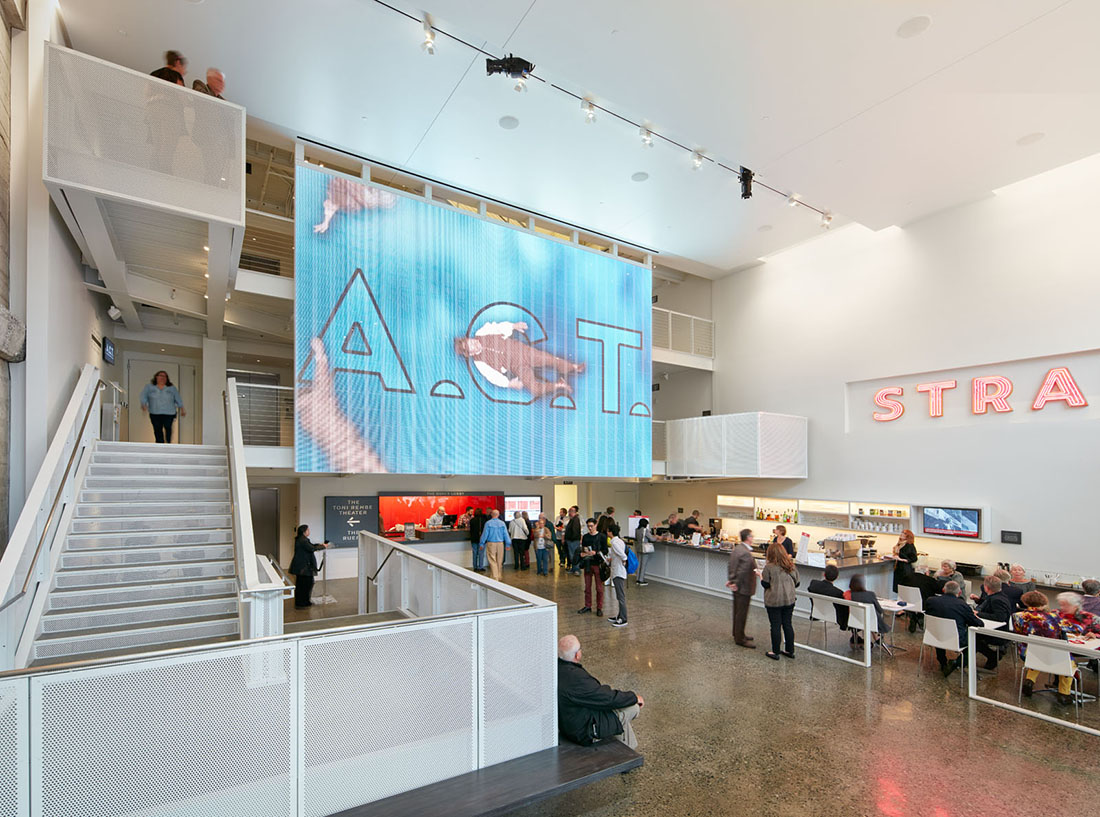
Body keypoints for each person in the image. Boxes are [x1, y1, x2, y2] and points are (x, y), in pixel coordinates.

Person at [557, 635, 643, 748]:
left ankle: (631, 747)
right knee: (633, 707)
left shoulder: (558, 668)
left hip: (569, 721)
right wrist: (634, 698)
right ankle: (628, 748)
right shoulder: (576, 679)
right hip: (584, 731)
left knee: (620, 710)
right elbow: (606, 698)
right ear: (577, 655)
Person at [1013, 591, 1073, 703]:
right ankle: (1064, 693)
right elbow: (1071, 628)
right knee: (1069, 663)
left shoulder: (1018, 616)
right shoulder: (1053, 617)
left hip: (1028, 652)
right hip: (1052, 654)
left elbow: (1019, 632)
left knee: (1037, 656)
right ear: (1044, 603)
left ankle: (1029, 680)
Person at [923, 581, 982, 677]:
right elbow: (976, 623)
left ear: (943, 590)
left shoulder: (931, 601)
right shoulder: (962, 605)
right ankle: (957, 663)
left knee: (940, 628)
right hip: (956, 640)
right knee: (977, 641)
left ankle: (943, 662)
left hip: (933, 636)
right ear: (959, 593)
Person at [760, 542, 800, 660]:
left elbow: (765, 584)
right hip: (789, 599)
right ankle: (789, 650)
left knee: (775, 625)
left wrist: (760, 576)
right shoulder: (791, 566)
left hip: (774, 600)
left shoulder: (769, 567)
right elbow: (797, 583)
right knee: (787, 624)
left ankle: (775, 651)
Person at [726, 528, 758, 648]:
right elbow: (743, 571)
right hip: (744, 587)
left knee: (737, 611)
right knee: (741, 613)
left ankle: (738, 633)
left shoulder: (737, 549)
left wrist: (731, 580)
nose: (752, 538)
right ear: (748, 537)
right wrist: (735, 582)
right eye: (752, 536)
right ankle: (740, 639)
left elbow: (731, 565)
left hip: (738, 586)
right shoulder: (745, 552)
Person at [974, 575, 1014, 670]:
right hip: (994, 629)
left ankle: (992, 656)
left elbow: (999, 617)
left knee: (972, 638)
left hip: (997, 633)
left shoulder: (996, 600)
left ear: (986, 587)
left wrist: (978, 614)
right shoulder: (998, 596)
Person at [288, 524, 330, 608]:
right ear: (304, 532)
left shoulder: (302, 539)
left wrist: (321, 545)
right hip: (303, 568)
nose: (309, 531)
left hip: (302, 567)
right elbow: (311, 548)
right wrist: (323, 546)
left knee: (304, 585)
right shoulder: (303, 540)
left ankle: (305, 601)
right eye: (308, 530)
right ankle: (302, 603)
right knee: (305, 585)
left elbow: (311, 546)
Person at [140, 370, 186, 443]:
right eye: (160, 376)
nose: (162, 378)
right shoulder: (149, 387)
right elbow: (144, 396)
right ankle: (159, 445)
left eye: (165, 376)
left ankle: (168, 443)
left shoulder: (172, 388)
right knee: (157, 429)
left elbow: (178, 398)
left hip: (169, 413)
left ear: (167, 379)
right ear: (156, 377)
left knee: (168, 428)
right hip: (155, 412)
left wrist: (182, 409)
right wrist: (143, 404)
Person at [848, 573, 891, 648]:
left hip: (855, 622)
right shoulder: (870, 594)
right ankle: (877, 638)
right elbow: (880, 610)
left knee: (867, 616)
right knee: (873, 616)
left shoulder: (849, 595)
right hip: (872, 622)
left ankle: (872, 638)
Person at [577, 519, 606, 617]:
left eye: (591, 526)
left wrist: (596, 552)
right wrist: (583, 554)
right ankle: (588, 605)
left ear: (596, 525)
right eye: (588, 526)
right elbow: (583, 548)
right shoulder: (585, 537)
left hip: (598, 564)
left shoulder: (601, 536)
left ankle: (599, 607)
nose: (590, 528)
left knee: (599, 588)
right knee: (587, 587)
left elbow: (605, 550)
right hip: (588, 563)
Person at [807, 564, 849, 630]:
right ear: (837, 577)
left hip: (816, 613)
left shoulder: (813, 584)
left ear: (824, 574)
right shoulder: (838, 593)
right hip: (834, 617)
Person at [607, 524, 629, 628]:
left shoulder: (615, 543)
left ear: (611, 532)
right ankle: (619, 615)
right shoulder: (619, 541)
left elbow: (622, 555)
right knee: (619, 595)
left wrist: (624, 561)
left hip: (618, 572)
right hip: (618, 570)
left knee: (620, 596)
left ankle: (623, 619)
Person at [479, 509, 511, 581]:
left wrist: (482, 543)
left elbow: (485, 534)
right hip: (500, 544)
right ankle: (499, 575)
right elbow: (506, 534)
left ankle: (495, 577)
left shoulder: (488, 523)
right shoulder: (502, 523)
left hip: (491, 543)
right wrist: (508, 544)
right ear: (498, 515)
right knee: (499, 560)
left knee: (492, 560)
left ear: (491, 515)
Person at [635, 517, 656, 586]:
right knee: (643, 565)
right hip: (645, 549)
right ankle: (641, 580)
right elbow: (652, 539)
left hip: (638, 548)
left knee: (639, 564)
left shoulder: (637, 530)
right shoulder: (645, 530)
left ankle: (637, 579)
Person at [564, 506, 583, 574]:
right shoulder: (572, 519)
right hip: (571, 540)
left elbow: (575, 530)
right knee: (571, 556)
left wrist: (571, 538)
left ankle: (577, 569)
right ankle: (573, 569)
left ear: (573, 512)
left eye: (570, 512)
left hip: (573, 541)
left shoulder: (575, 519)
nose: (569, 513)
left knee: (574, 556)